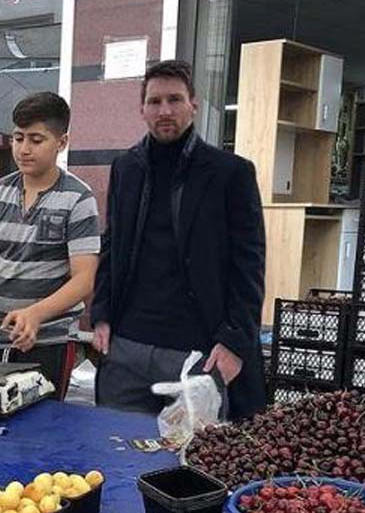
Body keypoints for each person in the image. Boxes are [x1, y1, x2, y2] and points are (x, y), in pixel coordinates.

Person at [91, 60, 266, 420]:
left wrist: (236, 341)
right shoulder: (126, 168)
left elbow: (249, 264)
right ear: (142, 109)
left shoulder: (229, 173)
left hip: (196, 352)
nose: (165, 110)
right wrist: (102, 314)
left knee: (192, 466)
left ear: (194, 105)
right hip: (127, 350)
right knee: (115, 454)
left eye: (175, 99)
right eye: (155, 102)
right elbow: (112, 247)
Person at [0, 92, 100, 393]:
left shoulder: (78, 198)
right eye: (18, 138)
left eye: (36, 140)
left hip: (49, 341)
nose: (24, 149)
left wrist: (36, 314)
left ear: (62, 142)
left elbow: (85, 279)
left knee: (42, 429)